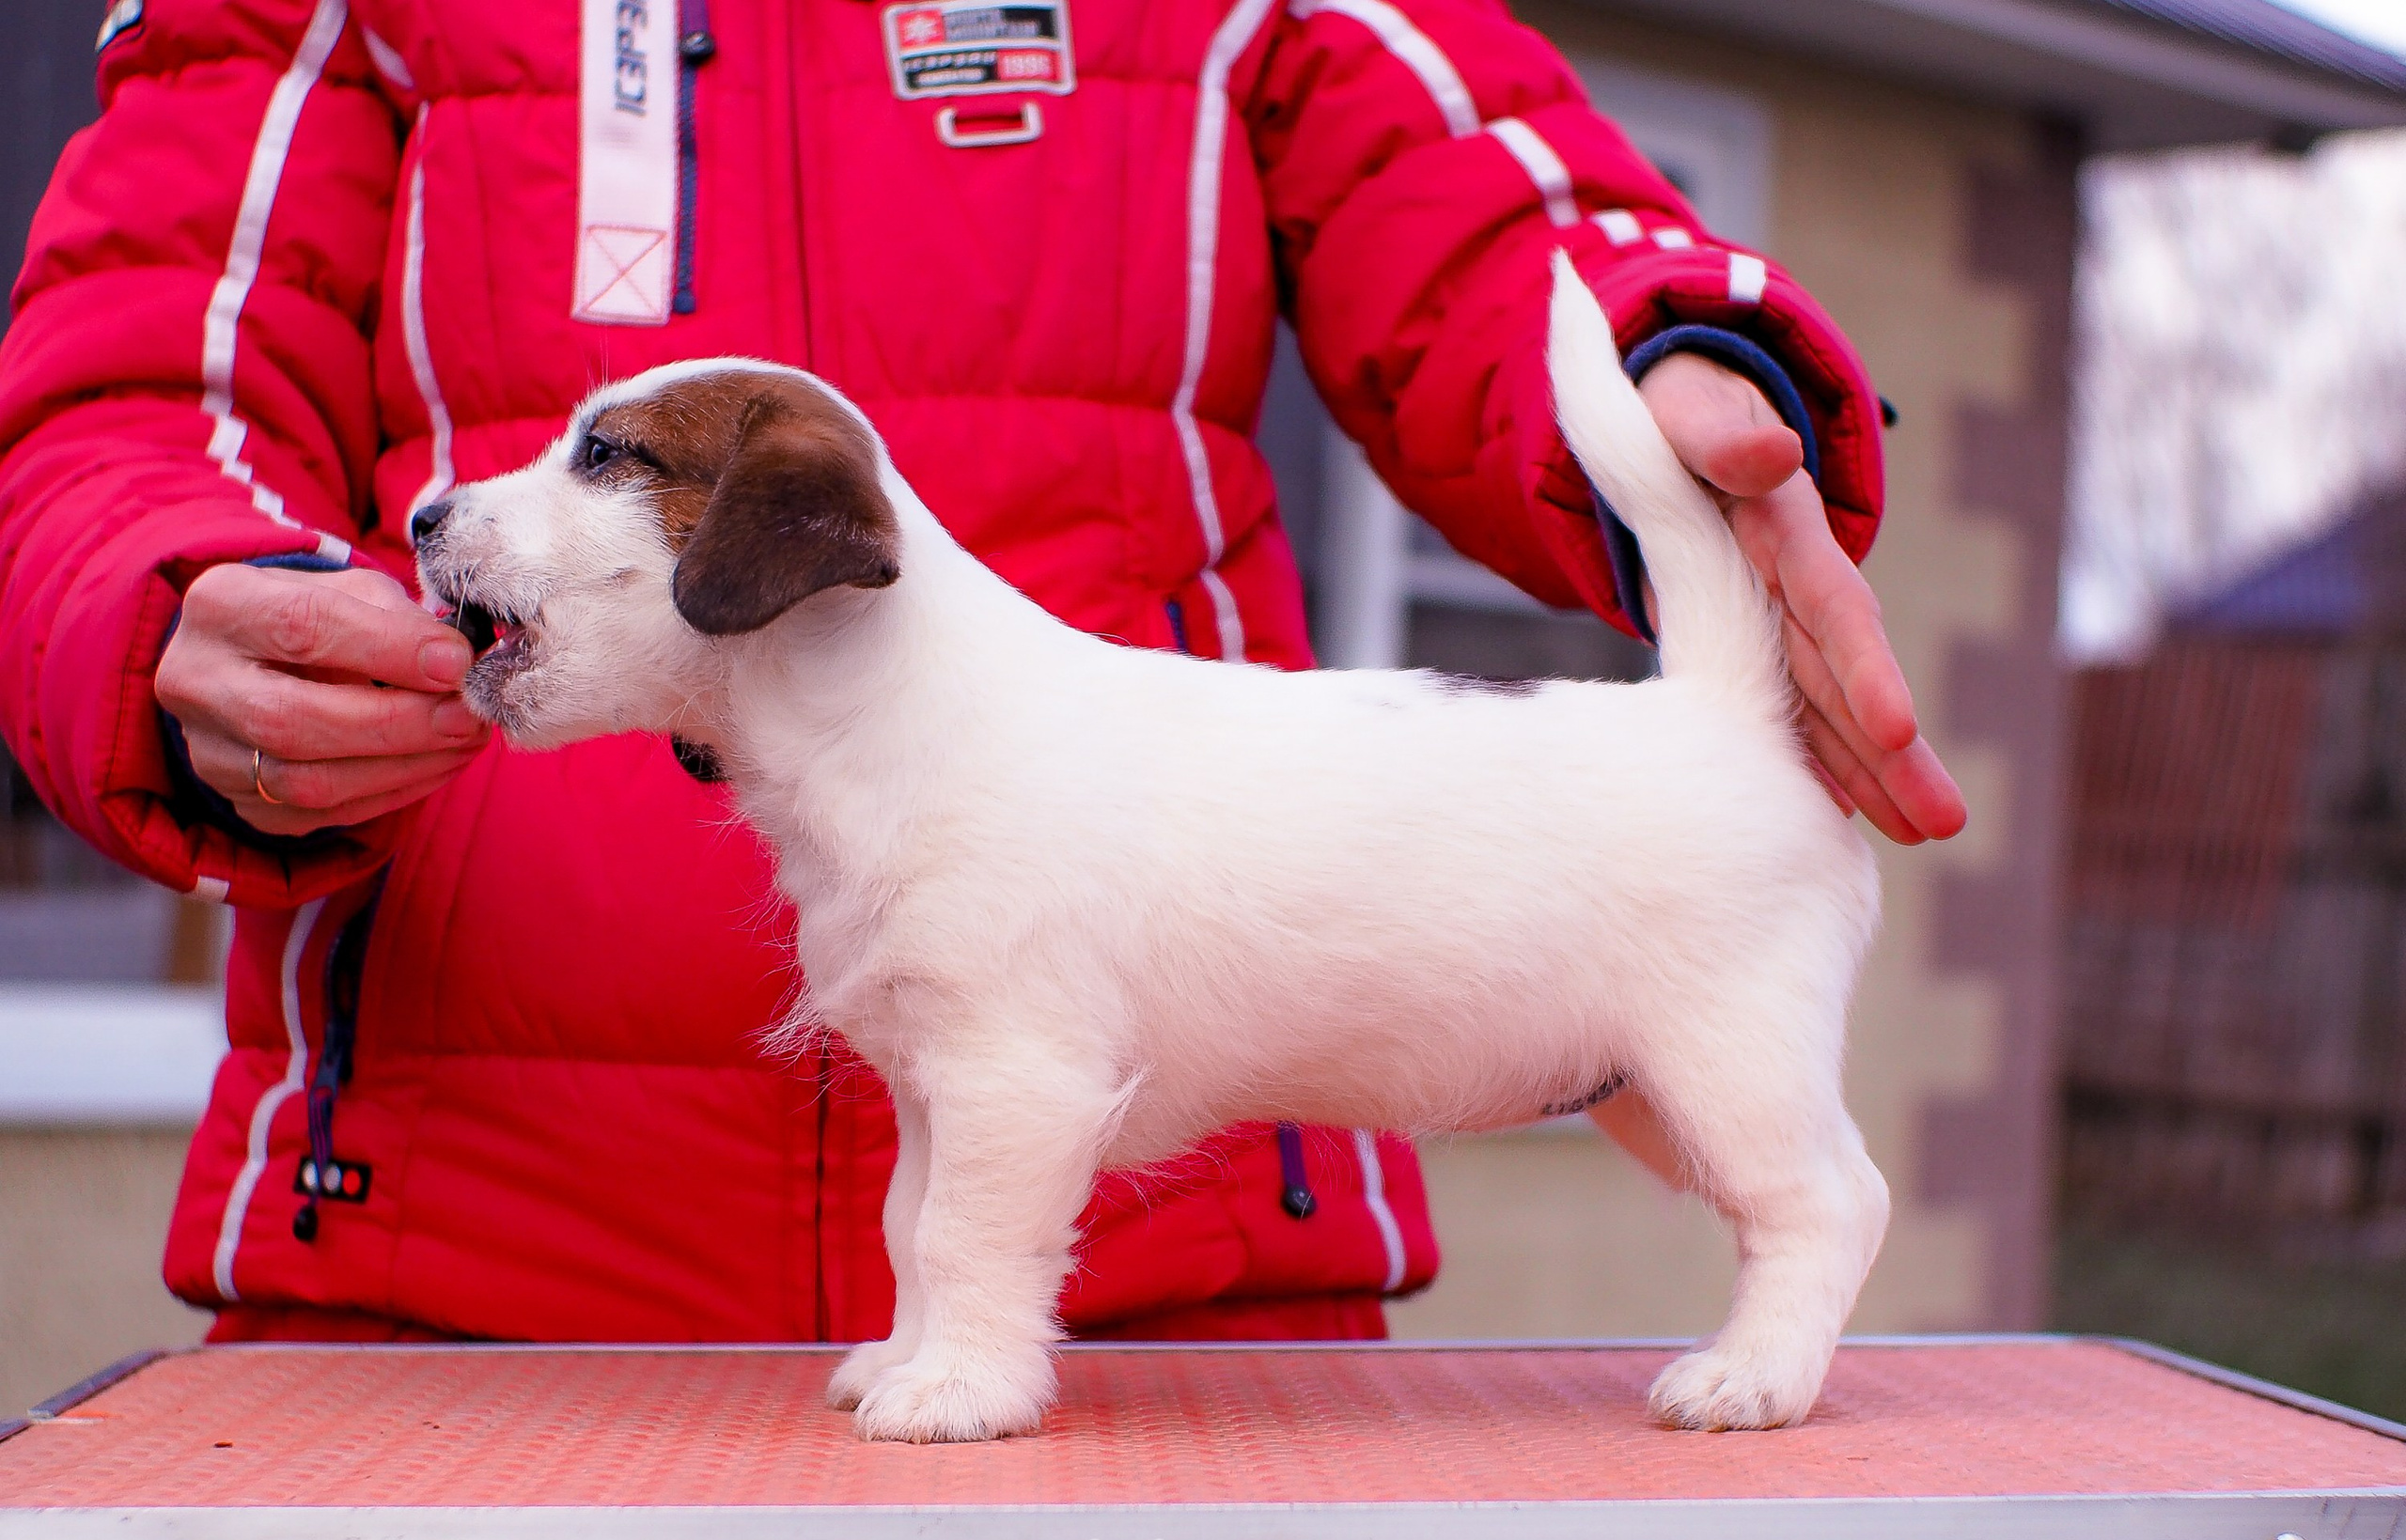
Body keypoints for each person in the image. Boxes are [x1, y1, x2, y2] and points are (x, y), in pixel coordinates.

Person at [0, 0, 1962, 1348]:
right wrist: (161, 599)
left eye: (591, 465)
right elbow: (135, 368)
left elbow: (1489, 197)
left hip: (1192, 1293)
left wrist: (1680, 360)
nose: (468, 515)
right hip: (439, 1270)